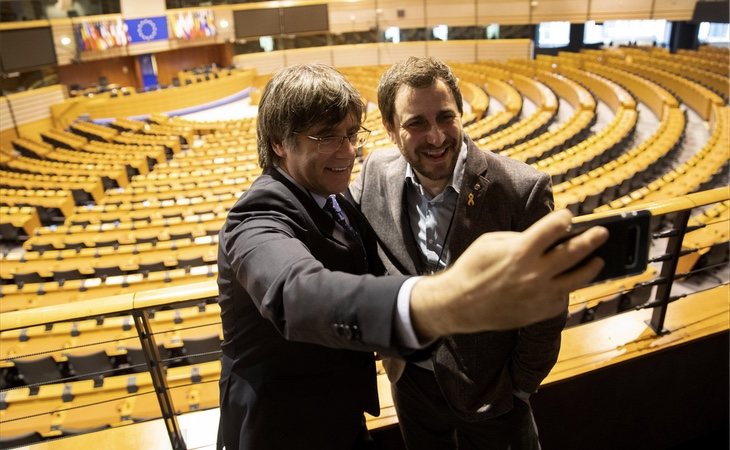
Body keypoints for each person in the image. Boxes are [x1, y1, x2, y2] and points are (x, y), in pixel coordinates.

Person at [216, 63, 607, 450]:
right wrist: (437, 300)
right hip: (287, 428)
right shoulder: (256, 216)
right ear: (279, 143)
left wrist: (519, 387)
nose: (348, 150)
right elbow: (296, 293)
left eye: (352, 134)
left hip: (483, 401)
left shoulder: (333, 196)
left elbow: (548, 308)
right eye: (326, 137)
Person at [348, 56, 564, 450]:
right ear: (391, 130)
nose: (435, 137)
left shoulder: (521, 190)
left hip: (493, 394)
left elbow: (548, 304)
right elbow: (344, 235)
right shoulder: (377, 171)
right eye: (416, 123)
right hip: (410, 382)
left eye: (446, 117)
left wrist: (519, 386)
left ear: (462, 114)